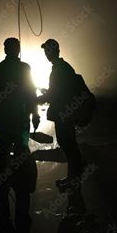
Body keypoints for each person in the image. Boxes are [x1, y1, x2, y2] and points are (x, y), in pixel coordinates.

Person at [0, 37, 40, 233]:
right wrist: (34, 114)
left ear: (5, 49)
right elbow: (30, 92)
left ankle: (3, 181)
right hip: (20, 119)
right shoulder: (24, 68)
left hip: (7, 119)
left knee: (4, 151)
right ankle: (20, 183)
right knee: (21, 151)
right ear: (16, 50)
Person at [38, 39, 85, 184]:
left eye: (48, 51)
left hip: (64, 114)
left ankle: (75, 176)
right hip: (66, 112)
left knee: (68, 145)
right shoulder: (62, 67)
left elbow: (57, 94)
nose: (46, 54)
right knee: (68, 144)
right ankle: (73, 176)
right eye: (45, 51)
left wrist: (39, 99)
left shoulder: (59, 69)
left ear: (54, 51)